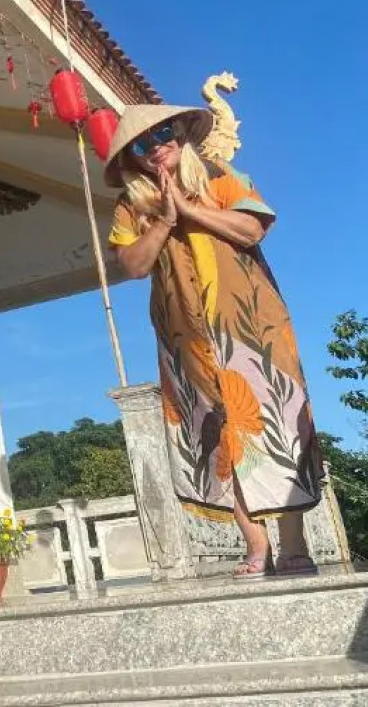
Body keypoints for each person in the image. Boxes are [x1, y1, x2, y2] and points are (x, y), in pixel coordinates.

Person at [104, 103, 323, 579]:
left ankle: (295, 545)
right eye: (142, 144)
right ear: (133, 158)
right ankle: (255, 546)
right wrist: (163, 220)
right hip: (185, 335)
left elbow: (252, 228)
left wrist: (189, 209)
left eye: (163, 134)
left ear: (181, 132)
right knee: (214, 434)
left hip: (250, 328)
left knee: (276, 426)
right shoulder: (132, 205)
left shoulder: (219, 175)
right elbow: (134, 265)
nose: (156, 146)